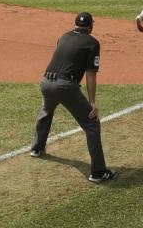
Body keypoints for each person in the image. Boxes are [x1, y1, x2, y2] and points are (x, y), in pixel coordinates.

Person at [29, 12, 116, 183]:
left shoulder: (63, 36)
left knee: (47, 110)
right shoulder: (92, 43)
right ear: (91, 27)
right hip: (65, 86)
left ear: (74, 24)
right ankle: (98, 172)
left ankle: (37, 148)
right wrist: (92, 102)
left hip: (46, 81)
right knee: (92, 124)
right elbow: (91, 74)